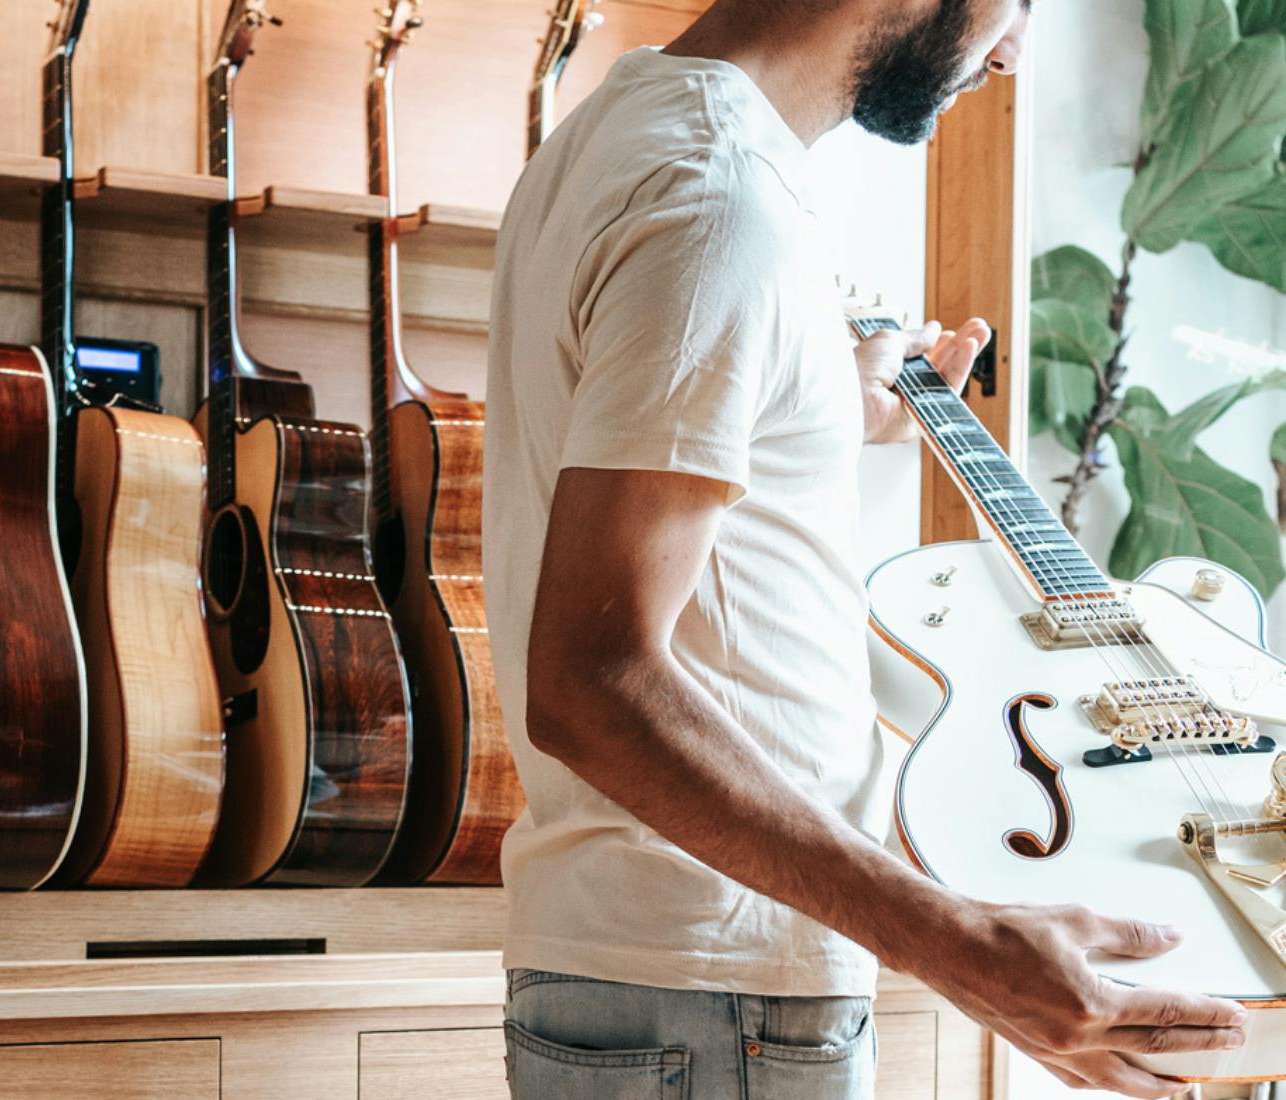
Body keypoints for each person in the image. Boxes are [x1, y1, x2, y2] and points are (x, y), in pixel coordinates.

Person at [484, 1, 1247, 1096]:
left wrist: (836, 404)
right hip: (721, 986)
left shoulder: (620, 135)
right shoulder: (718, 198)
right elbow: (592, 679)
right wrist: (956, 941)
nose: (1017, 47)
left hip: (675, 972)